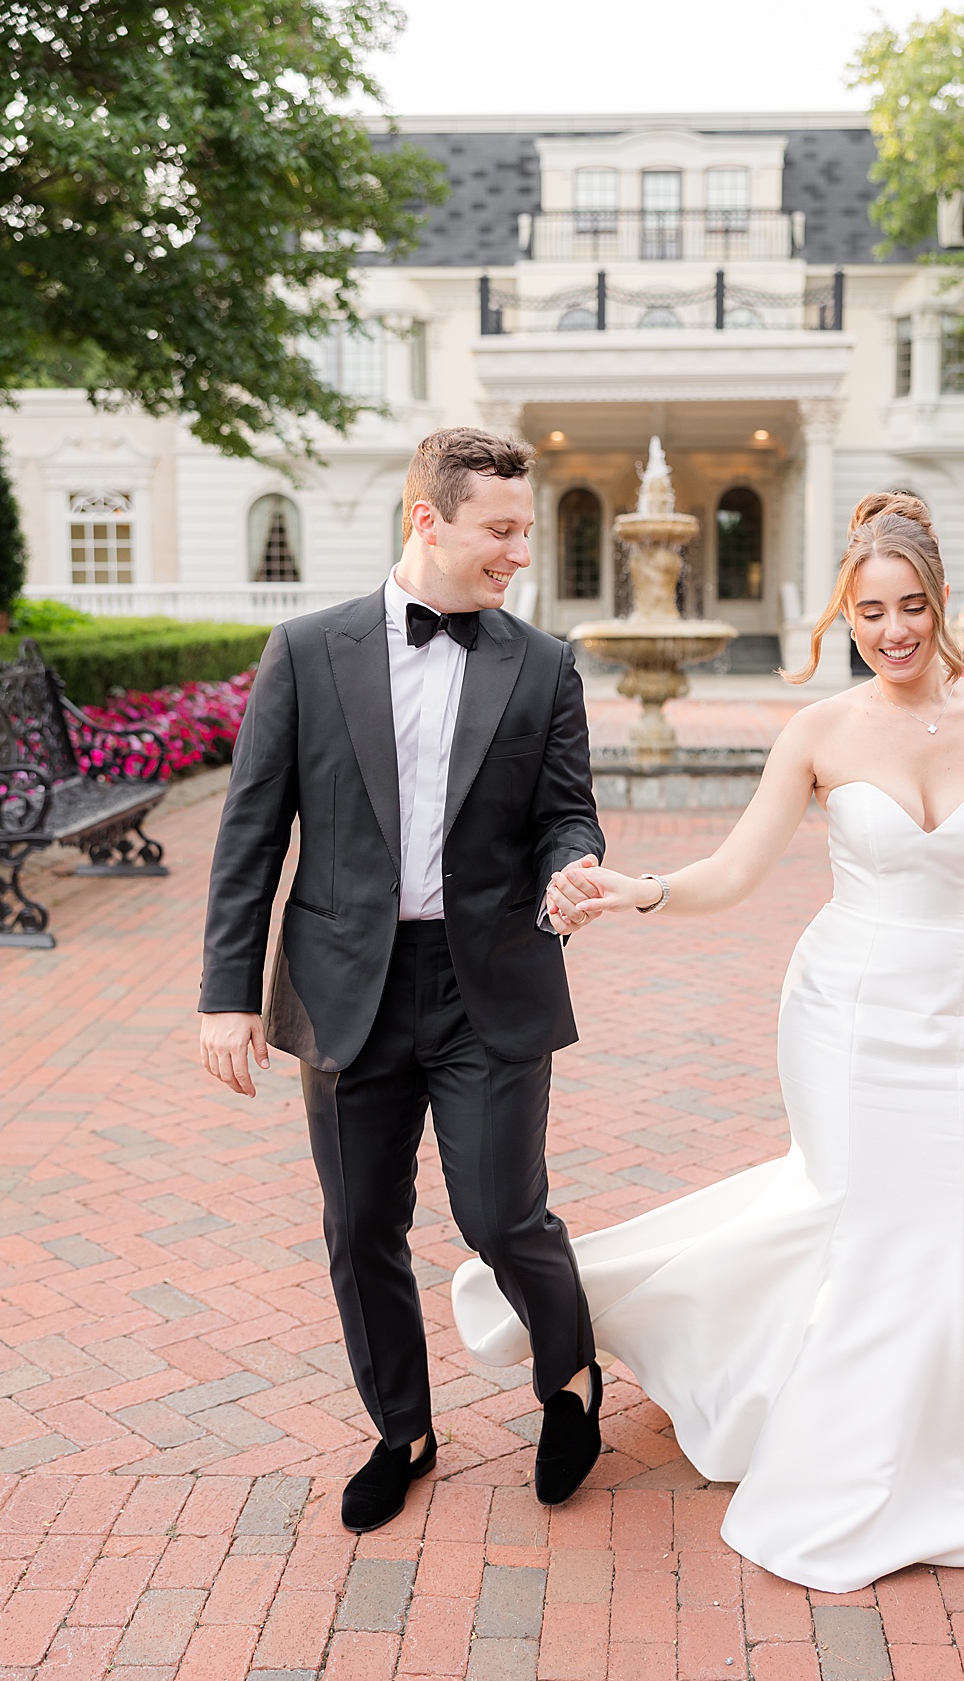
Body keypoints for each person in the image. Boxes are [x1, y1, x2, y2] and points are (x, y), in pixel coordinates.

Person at [492, 490, 964, 1593]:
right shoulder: (821, 731)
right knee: (879, 1226)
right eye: (870, 611)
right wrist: (637, 889)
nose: (892, 631)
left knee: (948, 1226)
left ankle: (864, 1407)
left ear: (939, 603)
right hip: (845, 1011)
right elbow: (736, 873)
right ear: (846, 612)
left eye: (911, 606)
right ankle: (859, 1465)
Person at [198, 426, 610, 1533]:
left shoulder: (544, 664)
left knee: (501, 1214)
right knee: (360, 1223)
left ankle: (570, 1382)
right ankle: (405, 1431)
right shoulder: (306, 651)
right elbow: (251, 835)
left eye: (526, 530)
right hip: (348, 987)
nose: (521, 552)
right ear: (427, 519)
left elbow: (567, 809)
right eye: (502, 530)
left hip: (493, 978)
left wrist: (573, 863)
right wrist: (227, 992)